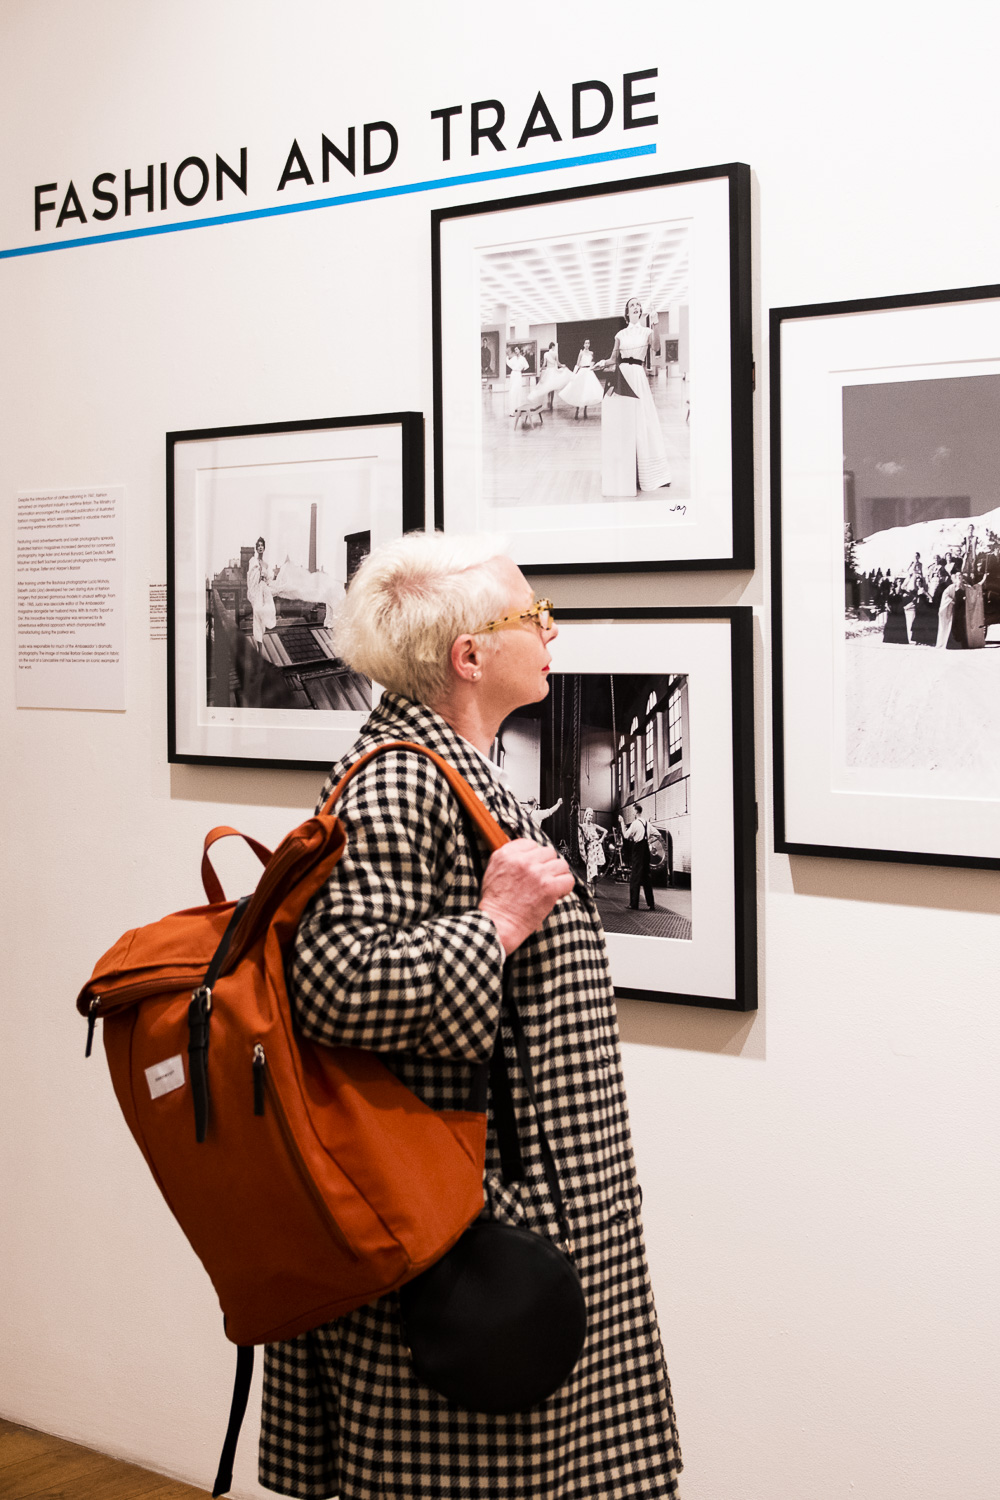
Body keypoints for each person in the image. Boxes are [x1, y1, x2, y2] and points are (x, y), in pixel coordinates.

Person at [261, 532, 682, 1500]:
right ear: (468, 656)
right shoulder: (403, 779)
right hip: (465, 1229)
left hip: (518, 1215)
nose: (549, 630)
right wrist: (492, 925)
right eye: (529, 617)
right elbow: (332, 980)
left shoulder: (464, 770)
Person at [595, 298, 671, 491]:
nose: (636, 307)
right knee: (624, 422)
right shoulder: (620, 334)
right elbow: (613, 359)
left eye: (638, 305)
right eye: (632, 305)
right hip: (622, 376)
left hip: (637, 376)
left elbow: (655, 348)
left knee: (642, 420)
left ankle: (647, 472)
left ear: (641, 311)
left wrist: (656, 323)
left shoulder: (647, 331)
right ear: (627, 312)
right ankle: (626, 470)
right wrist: (602, 363)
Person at [620, 802, 656, 911]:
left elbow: (626, 835)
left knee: (635, 877)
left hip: (638, 850)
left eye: (633, 811)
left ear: (636, 811)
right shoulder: (647, 823)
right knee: (646, 878)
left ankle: (633, 904)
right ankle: (651, 904)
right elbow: (657, 834)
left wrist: (622, 822)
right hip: (645, 851)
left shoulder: (635, 823)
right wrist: (649, 840)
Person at [558, 338, 605, 419]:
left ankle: (585, 411)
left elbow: (592, 363)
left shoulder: (591, 353)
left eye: (588, 343)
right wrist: (573, 374)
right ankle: (577, 410)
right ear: (583, 344)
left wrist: (595, 367)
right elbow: (577, 364)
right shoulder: (581, 353)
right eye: (586, 343)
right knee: (579, 391)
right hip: (582, 371)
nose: (587, 344)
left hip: (589, 372)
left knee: (587, 391)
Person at [246, 535, 277, 651]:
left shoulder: (266, 564)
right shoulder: (253, 561)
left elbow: (268, 580)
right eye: (258, 546)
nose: (260, 547)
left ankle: (260, 647)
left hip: (265, 591)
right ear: (256, 548)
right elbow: (250, 577)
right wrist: (258, 573)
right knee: (257, 616)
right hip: (257, 591)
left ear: (264, 548)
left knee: (267, 613)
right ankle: (260, 649)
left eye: (262, 546)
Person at [577, 805, 608, 894]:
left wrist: (601, 840)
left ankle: (594, 889)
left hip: (597, 848)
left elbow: (605, 831)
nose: (590, 816)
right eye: (589, 815)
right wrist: (577, 811)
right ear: (586, 815)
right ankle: (591, 889)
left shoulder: (594, 826)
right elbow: (577, 823)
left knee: (595, 869)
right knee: (591, 869)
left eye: (592, 815)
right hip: (590, 849)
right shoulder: (583, 826)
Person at [533, 341, 571, 410]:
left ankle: (548, 400)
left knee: (548, 386)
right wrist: (563, 366)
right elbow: (558, 363)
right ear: (553, 347)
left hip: (548, 371)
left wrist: (541, 369)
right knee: (552, 387)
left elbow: (544, 364)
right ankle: (551, 402)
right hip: (553, 370)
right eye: (554, 347)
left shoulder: (546, 354)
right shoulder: (555, 353)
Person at [505, 345, 529, 416]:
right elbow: (508, 362)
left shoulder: (523, 359)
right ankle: (511, 411)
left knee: (518, 392)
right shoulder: (514, 358)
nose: (516, 351)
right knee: (512, 392)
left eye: (517, 349)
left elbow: (526, 366)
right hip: (513, 374)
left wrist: (521, 370)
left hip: (518, 375)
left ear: (519, 350)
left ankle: (518, 410)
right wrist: (506, 357)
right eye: (515, 350)